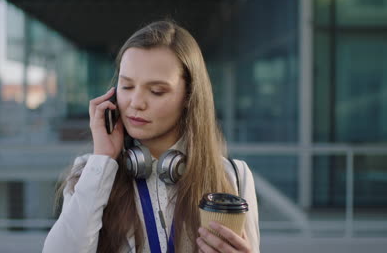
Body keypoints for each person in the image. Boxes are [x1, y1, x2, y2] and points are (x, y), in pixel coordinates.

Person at [43, 20, 260, 253]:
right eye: (126, 86)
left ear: (189, 96)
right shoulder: (91, 171)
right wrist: (103, 160)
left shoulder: (233, 177)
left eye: (156, 91)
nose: (136, 103)